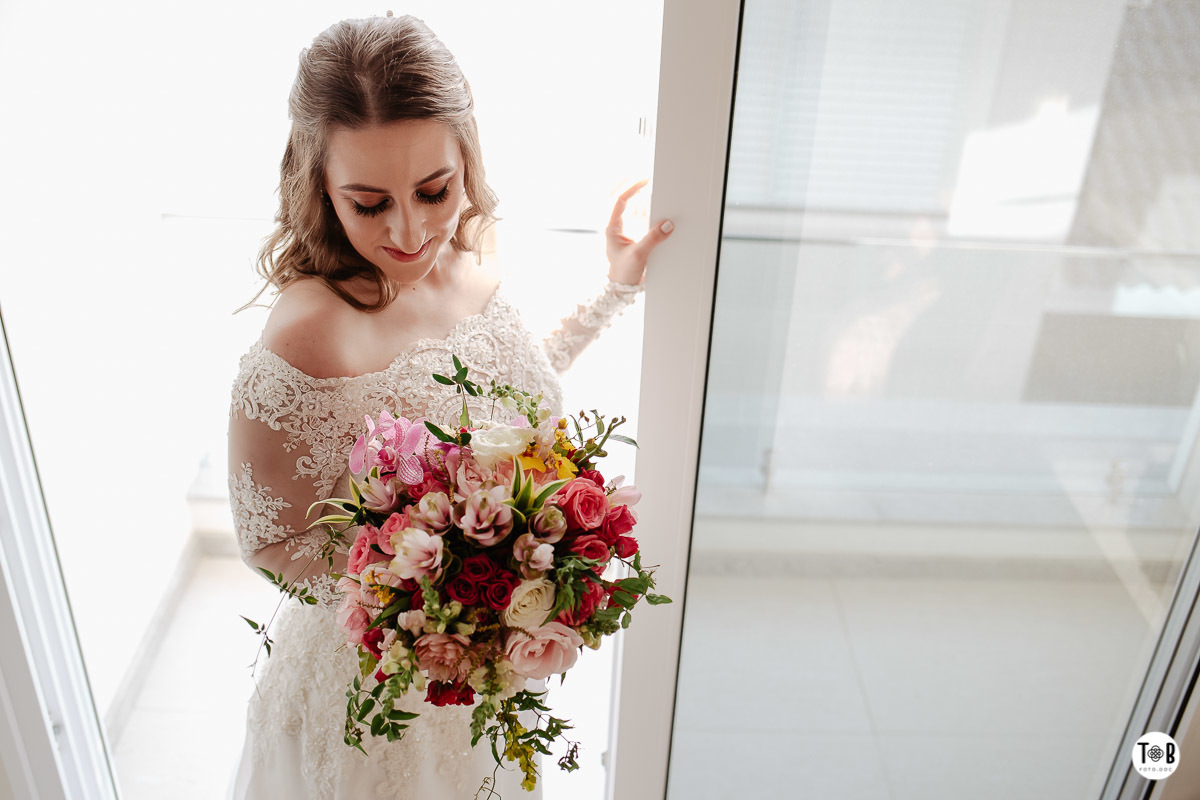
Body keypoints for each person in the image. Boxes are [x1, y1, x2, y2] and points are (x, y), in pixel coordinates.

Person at [225, 14, 674, 800]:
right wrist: (436, 597)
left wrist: (616, 288)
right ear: (320, 187)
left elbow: (504, 388)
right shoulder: (306, 338)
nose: (410, 231)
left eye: (434, 189)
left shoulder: (471, 241)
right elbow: (270, 544)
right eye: (369, 204)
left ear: (466, 156)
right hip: (379, 691)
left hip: (483, 663)